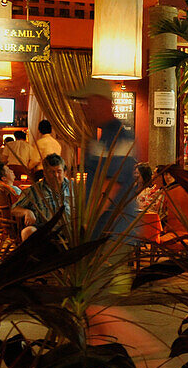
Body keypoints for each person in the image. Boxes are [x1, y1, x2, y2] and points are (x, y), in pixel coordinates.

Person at [70, 78, 139, 244]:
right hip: (100, 233)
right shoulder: (101, 138)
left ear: (102, 102)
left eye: (87, 102)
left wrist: (85, 223)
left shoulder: (120, 137)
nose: (83, 108)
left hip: (114, 235)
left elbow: (110, 186)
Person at [14, 153, 72, 242]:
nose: (56, 175)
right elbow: (14, 209)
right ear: (44, 173)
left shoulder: (73, 188)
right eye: (52, 172)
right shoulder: (34, 190)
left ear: (64, 172)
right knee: (27, 231)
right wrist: (27, 211)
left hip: (70, 231)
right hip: (44, 232)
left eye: (59, 171)